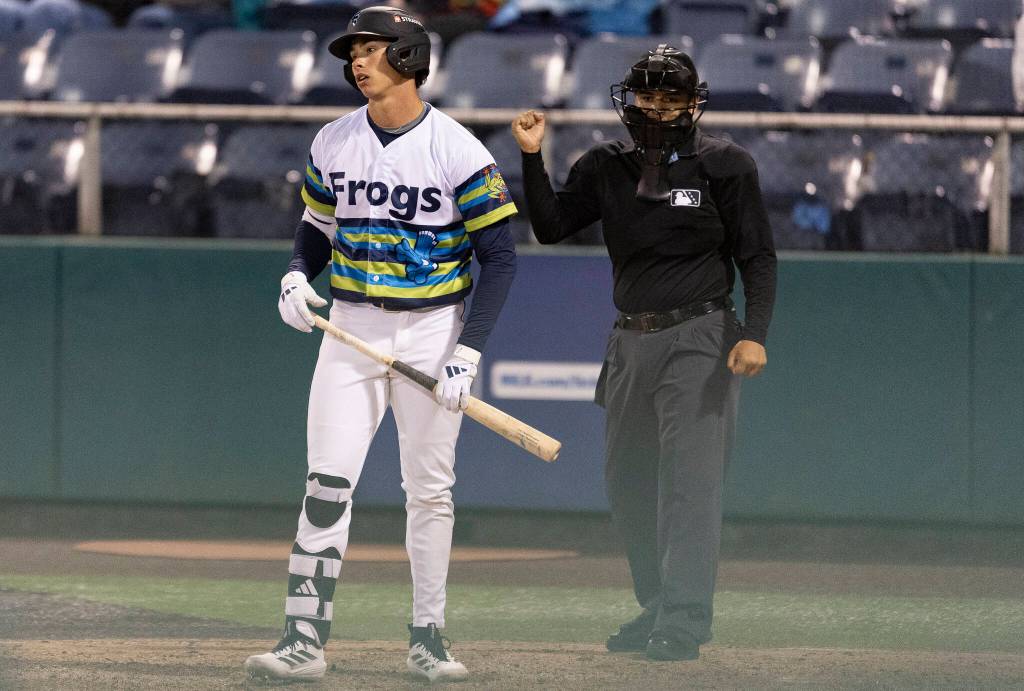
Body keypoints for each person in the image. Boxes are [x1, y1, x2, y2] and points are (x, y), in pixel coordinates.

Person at [244, 5, 518, 683]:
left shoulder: (458, 148)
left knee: (429, 491)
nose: (357, 61)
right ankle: (303, 639)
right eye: (354, 52)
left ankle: (429, 636)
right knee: (325, 484)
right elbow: (316, 223)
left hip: (433, 328)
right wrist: (295, 273)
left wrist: (468, 350)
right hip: (352, 327)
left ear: (409, 56)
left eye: (372, 49)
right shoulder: (334, 140)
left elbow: (501, 257)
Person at [511, 44, 776, 661]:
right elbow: (551, 226)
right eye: (647, 95)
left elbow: (756, 255)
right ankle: (657, 604)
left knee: (689, 483)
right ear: (628, 100)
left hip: (701, 336)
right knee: (627, 482)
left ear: (692, 103)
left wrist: (754, 333)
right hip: (630, 337)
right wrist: (531, 157)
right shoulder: (605, 165)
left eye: (670, 97)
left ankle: (683, 621)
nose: (657, 107)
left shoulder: (727, 166)